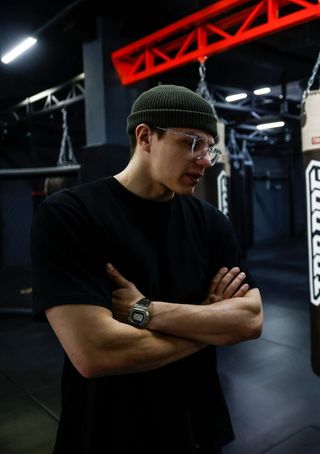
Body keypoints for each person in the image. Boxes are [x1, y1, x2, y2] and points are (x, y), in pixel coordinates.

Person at [31, 84, 263, 454]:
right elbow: (95, 353)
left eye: (209, 148)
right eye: (192, 143)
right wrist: (211, 321)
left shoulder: (211, 222)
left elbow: (250, 320)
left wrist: (145, 311)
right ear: (146, 136)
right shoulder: (70, 214)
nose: (205, 160)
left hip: (197, 427)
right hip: (108, 432)